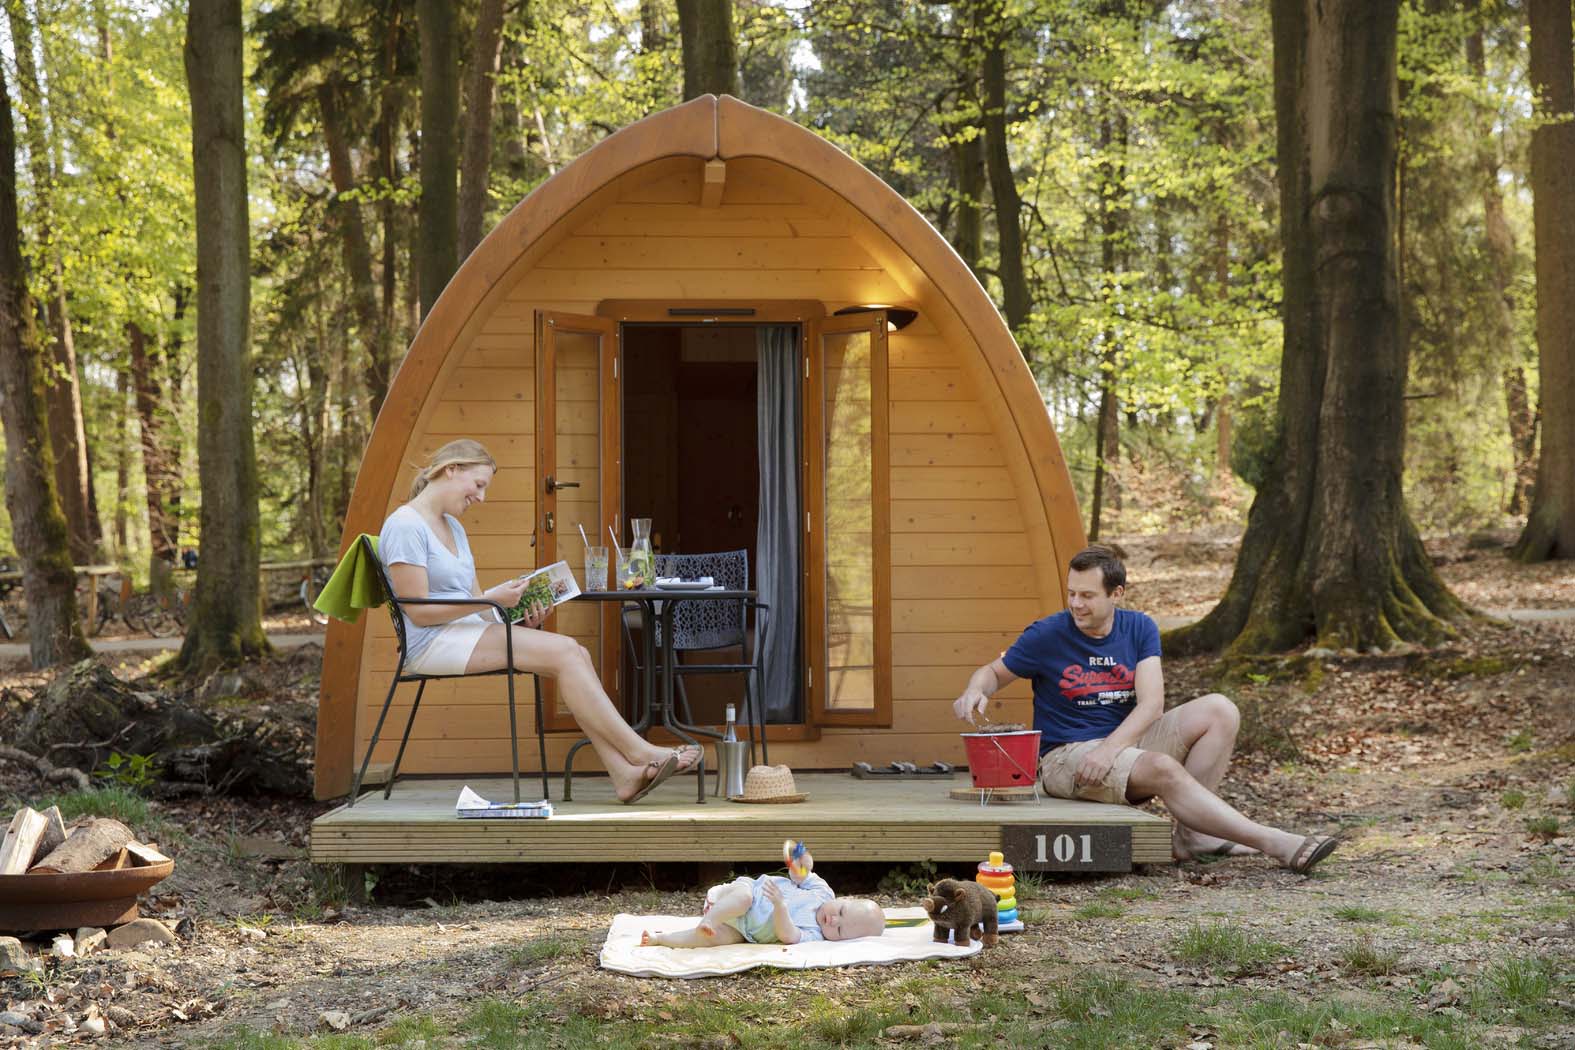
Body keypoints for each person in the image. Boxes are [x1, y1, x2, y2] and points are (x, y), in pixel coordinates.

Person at [953, 544, 1338, 873]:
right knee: (1161, 768)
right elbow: (993, 672)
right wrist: (975, 688)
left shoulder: (1139, 628)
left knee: (1220, 709)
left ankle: (1194, 837)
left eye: (1087, 595)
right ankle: (1274, 842)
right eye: (1071, 593)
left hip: (1121, 744)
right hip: (1066, 756)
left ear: (1116, 594)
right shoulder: (1048, 633)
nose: (1075, 603)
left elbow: (1152, 703)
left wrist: (1111, 748)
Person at [378, 439, 699, 803]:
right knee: (564, 652)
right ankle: (640, 752)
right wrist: (490, 600)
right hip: (430, 642)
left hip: (466, 632)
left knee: (576, 652)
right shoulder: (405, 525)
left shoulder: (454, 528)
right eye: (479, 484)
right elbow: (417, 610)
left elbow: (481, 608)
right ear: (452, 469)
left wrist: (518, 614)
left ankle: (624, 774)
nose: (481, 498)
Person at [640, 846, 884, 947]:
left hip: (746, 929)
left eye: (839, 930)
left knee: (718, 940)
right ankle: (711, 918)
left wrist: (780, 906)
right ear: (844, 899)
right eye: (840, 913)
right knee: (744, 899)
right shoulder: (822, 891)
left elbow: (787, 935)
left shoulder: (814, 935)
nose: (832, 921)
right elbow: (800, 875)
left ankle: (662, 939)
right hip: (743, 895)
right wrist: (802, 861)